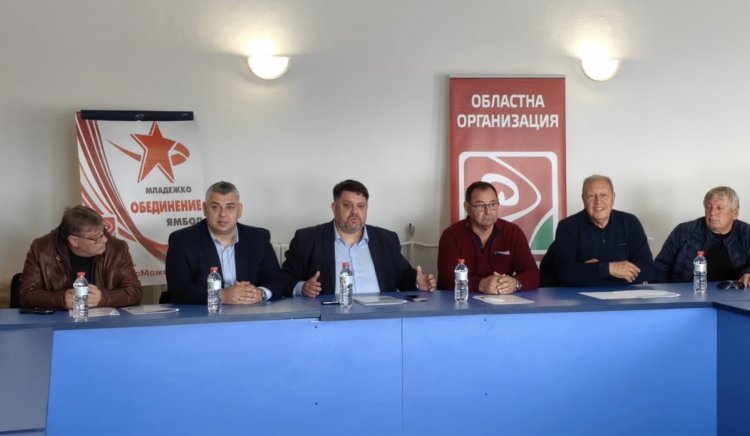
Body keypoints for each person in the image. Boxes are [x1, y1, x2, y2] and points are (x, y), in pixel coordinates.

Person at [281, 179, 436, 297]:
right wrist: (302, 288)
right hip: (330, 319)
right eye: (347, 205)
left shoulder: (386, 240)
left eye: (361, 206)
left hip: (380, 318)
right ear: (334, 207)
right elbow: (284, 280)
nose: (355, 212)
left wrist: (418, 283)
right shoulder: (307, 239)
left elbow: (403, 277)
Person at [165, 181, 282, 304]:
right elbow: (178, 290)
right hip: (203, 313)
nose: (223, 214)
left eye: (230, 207)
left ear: (239, 210)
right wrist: (221, 295)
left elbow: (277, 281)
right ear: (205, 209)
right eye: (215, 207)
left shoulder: (258, 238)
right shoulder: (182, 241)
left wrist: (260, 294)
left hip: (249, 311)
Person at [19, 205, 142, 309]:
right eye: (97, 237)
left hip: (104, 323)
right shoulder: (42, 250)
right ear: (74, 241)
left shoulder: (117, 249)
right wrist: (61, 300)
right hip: (57, 324)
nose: (105, 240)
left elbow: (135, 292)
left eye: (103, 232)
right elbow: (26, 295)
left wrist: (103, 298)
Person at [549, 175, 654, 286]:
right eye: (591, 196)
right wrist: (609, 269)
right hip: (580, 295)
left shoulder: (630, 222)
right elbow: (564, 272)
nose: (598, 201)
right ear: (583, 199)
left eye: (603, 195)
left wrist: (592, 271)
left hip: (624, 294)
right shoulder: (567, 226)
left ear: (613, 197)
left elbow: (648, 270)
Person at [437, 181, 539, 294]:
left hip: (502, 301)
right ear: (467, 207)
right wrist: (480, 284)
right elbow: (446, 280)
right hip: (462, 301)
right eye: (480, 206)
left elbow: (533, 273)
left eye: (492, 204)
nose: (488, 211)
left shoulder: (513, 232)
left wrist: (515, 283)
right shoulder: (451, 235)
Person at [654, 186, 750, 285]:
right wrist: (662, 292)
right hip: (686, 292)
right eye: (708, 207)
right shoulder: (684, 231)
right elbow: (660, 267)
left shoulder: (746, 233)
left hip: (733, 293)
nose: (712, 213)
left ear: (735, 213)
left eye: (719, 208)